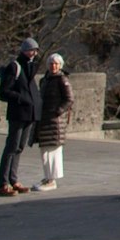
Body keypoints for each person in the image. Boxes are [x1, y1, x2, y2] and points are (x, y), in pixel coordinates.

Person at [0, 37, 42, 196]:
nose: (33, 53)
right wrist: (21, 98)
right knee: (12, 147)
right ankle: (3, 183)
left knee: (20, 147)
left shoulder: (30, 66)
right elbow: (4, 92)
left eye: (35, 50)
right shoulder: (15, 66)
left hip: (29, 113)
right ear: (23, 51)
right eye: (31, 50)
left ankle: (13, 180)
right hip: (18, 113)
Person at [34, 52, 73, 190]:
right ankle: (47, 177)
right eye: (51, 63)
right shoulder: (45, 80)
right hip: (44, 119)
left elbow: (69, 99)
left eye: (56, 63)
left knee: (53, 150)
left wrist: (57, 112)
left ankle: (52, 179)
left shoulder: (62, 79)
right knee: (45, 150)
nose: (53, 66)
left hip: (55, 121)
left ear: (60, 65)